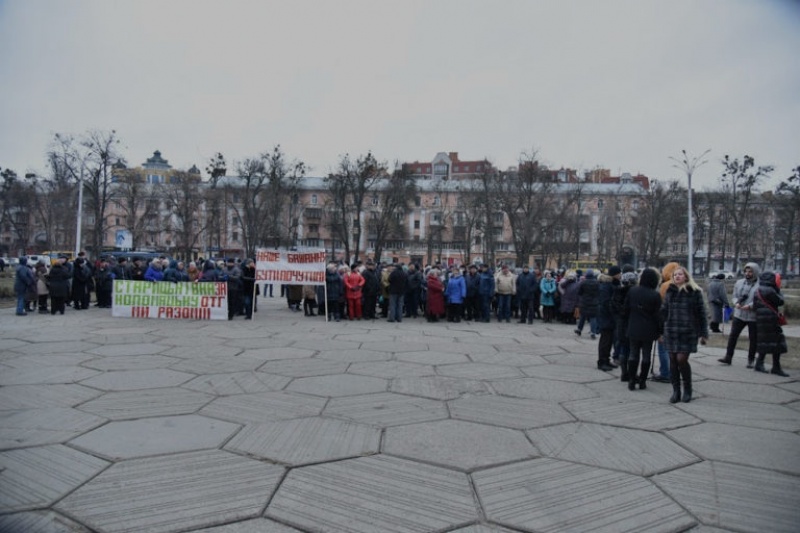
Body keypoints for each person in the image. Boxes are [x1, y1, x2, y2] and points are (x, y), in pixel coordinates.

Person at [661, 265, 708, 403]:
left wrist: (703, 333)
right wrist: (658, 327)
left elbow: (701, 314)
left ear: (686, 276)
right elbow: (664, 311)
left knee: (682, 359)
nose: (677, 277)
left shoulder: (694, 292)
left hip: (688, 332)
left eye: (680, 274)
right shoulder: (670, 291)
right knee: (673, 360)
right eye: (675, 275)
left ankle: (688, 389)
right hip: (671, 330)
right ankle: (676, 391)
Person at [623, 268, 662, 389]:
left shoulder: (632, 291)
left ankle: (631, 379)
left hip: (633, 326)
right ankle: (643, 380)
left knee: (633, 353)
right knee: (646, 355)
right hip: (649, 329)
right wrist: (661, 331)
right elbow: (658, 315)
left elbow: (625, 309)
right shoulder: (655, 294)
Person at [719, 263, 760, 367]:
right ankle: (728, 357)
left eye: (750, 271)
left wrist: (750, 306)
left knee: (753, 338)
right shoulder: (739, 282)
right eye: (746, 271)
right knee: (733, 336)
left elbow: (761, 300)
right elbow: (734, 296)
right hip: (739, 314)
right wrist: (736, 303)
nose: (747, 273)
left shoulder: (760, 285)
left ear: (755, 272)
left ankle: (751, 360)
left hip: (752, 316)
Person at [752, 271, 789, 376]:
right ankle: (776, 367)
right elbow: (780, 301)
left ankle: (759, 364)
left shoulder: (757, 290)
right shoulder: (770, 291)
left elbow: (755, 307)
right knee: (777, 342)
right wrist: (779, 291)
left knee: (764, 341)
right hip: (771, 319)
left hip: (760, 320)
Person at [595, 267, 620, 371]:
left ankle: (606, 360)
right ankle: (602, 361)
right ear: (614, 274)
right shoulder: (606, 286)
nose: (620, 275)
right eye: (619, 273)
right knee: (605, 340)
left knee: (609, 340)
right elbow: (606, 303)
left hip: (609, 317)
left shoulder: (612, 284)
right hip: (606, 317)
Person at [575, 269, 599, 338]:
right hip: (594, 302)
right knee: (593, 317)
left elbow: (579, 292)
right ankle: (593, 332)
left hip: (584, 302)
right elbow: (599, 292)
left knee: (582, 316)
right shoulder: (597, 283)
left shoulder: (583, 282)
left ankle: (579, 329)